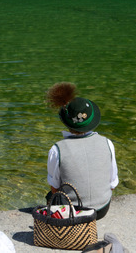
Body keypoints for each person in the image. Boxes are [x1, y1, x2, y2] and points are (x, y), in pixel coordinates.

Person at [46, 82, 119, 220]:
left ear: (66, 122)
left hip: (73, 213)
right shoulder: (107, 143)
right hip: (102, 210)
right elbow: (113, 183)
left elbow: (54, 187)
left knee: (50, 196)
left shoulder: (57, 149)